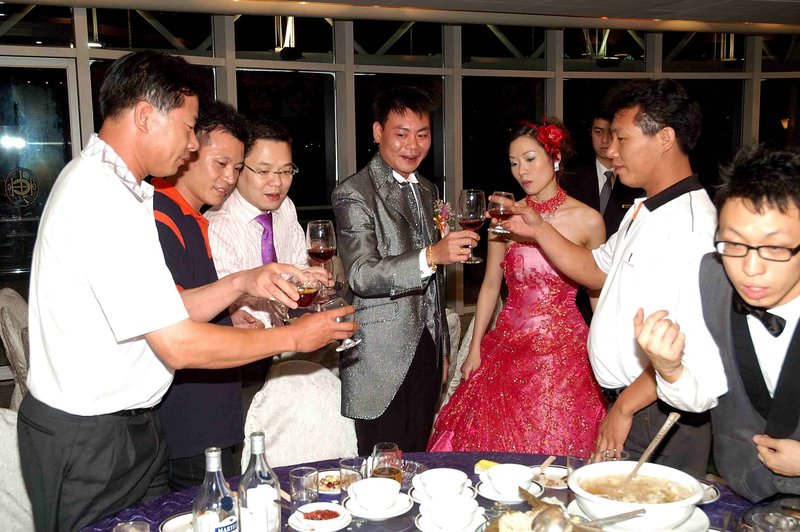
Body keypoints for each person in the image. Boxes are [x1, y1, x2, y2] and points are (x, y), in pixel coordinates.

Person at [16, 50, 355, 531]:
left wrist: (241, 281)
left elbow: (164, 309)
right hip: (90, 436)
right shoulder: (100, 197)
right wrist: (294, 337)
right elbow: (177, 342)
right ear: (145, 116)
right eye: (190, 127)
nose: (193, 143)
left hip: (133, 427)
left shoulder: (123, 189)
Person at [496, 79, 720, 476]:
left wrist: (624, 408)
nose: (610, 150)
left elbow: (685, 344)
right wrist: (539, 229)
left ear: (665, 138)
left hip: (656, 413)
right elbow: (595, 269)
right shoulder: (645, 210)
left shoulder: (690, 227)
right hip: (632, 404)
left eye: (621, 138)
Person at [152, 102, 329, 490]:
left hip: (216, 397)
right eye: (222, 164)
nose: (228, 178)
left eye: (285, 171)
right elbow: (176, 328)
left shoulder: (192, 217)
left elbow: (188, 303)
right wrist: (284, 330)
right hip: (197, 397)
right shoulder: (172, 217)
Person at [427, 118, 607, 455]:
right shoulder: (505, 216)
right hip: (507, 344)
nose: (521, 171)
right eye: (513, 163)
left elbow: (598, 292)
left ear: (555, 158)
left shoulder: (588, 220)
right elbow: (490, 285)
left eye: (530, 159)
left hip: (562, 353)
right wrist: (475, 347)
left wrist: (606, 349)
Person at [636, 145, 800, 502]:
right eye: (734, 244)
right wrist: (669, 368)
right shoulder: (711, 278)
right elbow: (701, 393)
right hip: (744, 493)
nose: (750, 269)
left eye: (775, 248)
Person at [332, 85, 479, 454]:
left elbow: (434, 287)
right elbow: (361, 274)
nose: (413, 145)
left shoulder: (427, 190)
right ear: (378, 132)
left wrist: (441, 348)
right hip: (378, 357)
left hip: (426, 351)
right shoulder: (354, 193)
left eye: (422, 134)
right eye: (401, 134)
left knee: (418, 460)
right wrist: (430, 256)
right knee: (381, 467)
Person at [206, 118, 308, 330]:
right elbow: (228, 308)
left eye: (285, 171)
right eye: (263, 171)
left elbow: (298, 267)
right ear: (238, 169)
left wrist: (309, 281)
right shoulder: (217, 226)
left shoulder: (286, 207)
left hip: (289, 331)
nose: (277, 182)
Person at [561, 108, 644, 324]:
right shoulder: (570, 180)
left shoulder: (637, 185)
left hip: (619, 286)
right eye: (598, 132)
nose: (605, 140)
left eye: (611, 133)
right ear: (590, 133)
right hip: (575, 289)